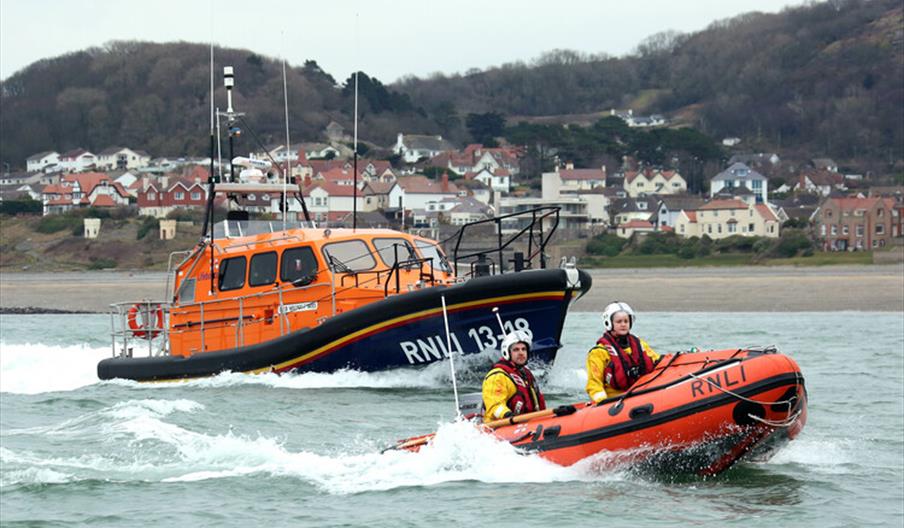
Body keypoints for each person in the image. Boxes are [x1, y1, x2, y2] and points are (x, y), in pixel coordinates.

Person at [586, 301, 660, 403]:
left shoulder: (639, 344)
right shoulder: (599, 352)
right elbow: (594, 383)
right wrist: (602, 402)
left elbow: (658, 362)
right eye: (619, 321)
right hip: (614, 402)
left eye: (626, 321)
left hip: (640, 395)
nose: (623, 324)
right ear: (609, 323)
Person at [482, 330, 546, 422]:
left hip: (528, 423)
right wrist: (508, 415)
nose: (521, 353)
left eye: (523, 349)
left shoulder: (526, 374)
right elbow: (494, 406)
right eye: (516, 349)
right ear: (507, 352)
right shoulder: (498, 376)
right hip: (502, 426)